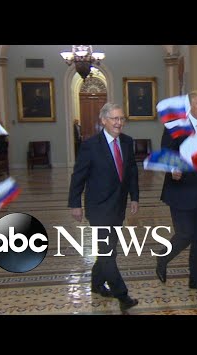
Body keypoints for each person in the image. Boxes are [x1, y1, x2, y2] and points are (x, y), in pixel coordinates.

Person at [68, 102, 139, 313]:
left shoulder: (127, 142)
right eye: (115, 118)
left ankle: (97, 284)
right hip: (98, 207)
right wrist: (74, 204)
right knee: (108, 253)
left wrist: (134, 197)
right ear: (104, 121)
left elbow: (132, 172)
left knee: (109, 251)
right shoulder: (90, 145)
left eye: (121, 118)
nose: (119, 123)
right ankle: (122, 295)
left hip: (118, 206)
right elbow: (78, 176)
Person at [156, 89, 197, 293]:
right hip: (181, 190)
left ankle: (196, 280)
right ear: (189, 107)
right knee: (185, 234)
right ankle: (163, 257)